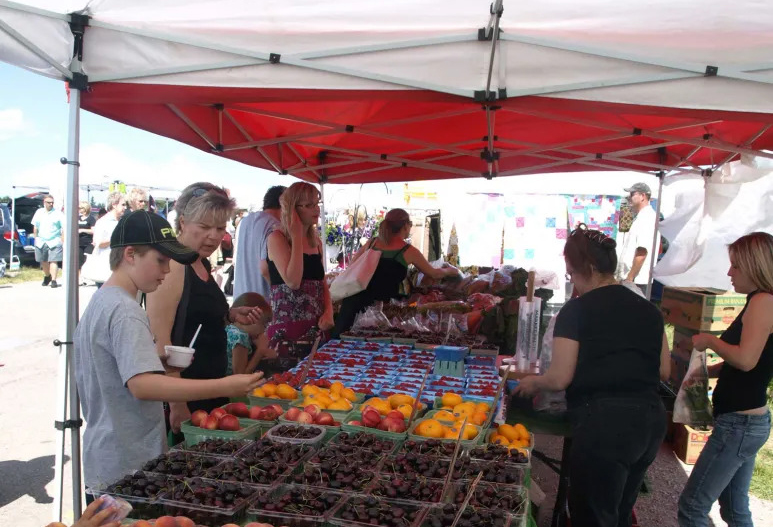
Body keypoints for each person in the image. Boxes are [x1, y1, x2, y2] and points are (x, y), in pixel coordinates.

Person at [74, 210, 263, 495]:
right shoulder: (126, 311)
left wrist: (155, 362)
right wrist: (226, 385)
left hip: (106, 454)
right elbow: (141, 385)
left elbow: (114, 369)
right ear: (130, 254)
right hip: (128, 463)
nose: (166, 270)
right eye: (160, 260)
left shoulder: (101, 301)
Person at [515, 224, 670, 527]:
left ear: (586, 268)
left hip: (605, 425)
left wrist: (533, 382)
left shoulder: (576, 311)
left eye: (571, 274)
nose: (572, 282)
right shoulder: (648, 309)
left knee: (594, 517)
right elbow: (664, 370)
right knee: (620, 513)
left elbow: (559, 378)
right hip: (650, 422)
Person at [146, 182, 264, 441]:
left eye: (220, 228)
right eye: (204, 227)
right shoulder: (174, 266)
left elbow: (194, 317)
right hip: (186, 395)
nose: (214, 236)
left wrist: (230, 316)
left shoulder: (198, 262)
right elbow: (160, 337)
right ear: (183, 222)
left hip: (208, 388)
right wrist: (177, 404)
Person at [678, 232, 773, 527]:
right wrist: (708, 371)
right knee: (734, 509)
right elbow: (748, 362)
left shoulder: (763, 302)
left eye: (736, 266)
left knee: (692, 508)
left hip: (740, 424)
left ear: (755, 266)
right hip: (746, 422)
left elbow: (746, 360)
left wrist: (708, 340)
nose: (730, 273)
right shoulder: (758, 301)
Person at [332, 208, 460, 337]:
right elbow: (433, 273)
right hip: (379, 311)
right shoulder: (408, 251)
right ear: (405, 226)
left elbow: (352, 264)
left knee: (340, 346)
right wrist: (450, 270)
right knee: (371, 349)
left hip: (353, 302)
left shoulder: (372, 242)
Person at [265, 182, 334, 371]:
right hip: (289, 330)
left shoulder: (315, 241)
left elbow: (322, 283)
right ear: (293, 209)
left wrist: (329, 311)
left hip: (316, 326)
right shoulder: (277, 238)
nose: (316, 209)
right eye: (309, 205)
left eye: (317, 204)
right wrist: (296, 236)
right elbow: (293, 281)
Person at [233, 186, 286, 300]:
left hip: (241, 300)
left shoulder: (244, 222)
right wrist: (284, 296)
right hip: (263, 303)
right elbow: (265, 269)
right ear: (284, 204)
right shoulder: (274, 226)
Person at [616, 182, 658, 295]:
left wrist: (630, 278)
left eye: (632, 194)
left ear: (643, 196)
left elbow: (642, 251)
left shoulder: (647, 218)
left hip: (637, 280)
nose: (630, 198)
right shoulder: (640, 217)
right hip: (632, 279)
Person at [225, 292, 277, 375]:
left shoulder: (230, 329)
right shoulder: (240, 337)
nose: (264, 330)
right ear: (250, 318)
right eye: (264, 324)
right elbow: (240, 379)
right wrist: (260, 351)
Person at [89, 192, 127, 287]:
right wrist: (116, 238)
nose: (125, 207)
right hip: (105, 267)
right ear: (114, 205)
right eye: (123, 204)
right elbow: (98, 243)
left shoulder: (121, 221)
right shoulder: (103, 222)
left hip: (117, 266)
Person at [32, 194, 64, 288]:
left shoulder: (58, 213)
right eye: (49, 202)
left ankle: (54, 280)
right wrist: (35, 237)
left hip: (54, 240)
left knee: (54, 260)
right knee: (43, 261)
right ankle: (47, 276)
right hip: (41, 240)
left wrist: (62, 239)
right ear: (44, 203)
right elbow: (35, 226)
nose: (51, 204)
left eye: (52, 202)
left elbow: (64, 227)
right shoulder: (39, 212)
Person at [78, 201, 96, 277]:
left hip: (88, 243)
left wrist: (82, 230)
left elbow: (93, 231)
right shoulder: (77, 218)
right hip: (79, 243)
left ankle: (85, 275)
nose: (79, 209)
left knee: (86, 259)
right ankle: (79, 277)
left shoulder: (91, 219)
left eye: (80, 208)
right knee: (79, 260)